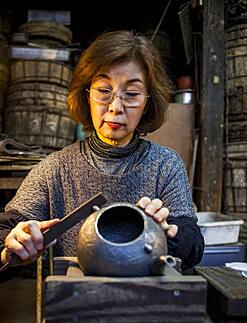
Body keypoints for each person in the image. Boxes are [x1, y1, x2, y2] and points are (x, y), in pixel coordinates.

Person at [0, 30, 204, 272]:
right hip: (75, 304)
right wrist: (11, 246)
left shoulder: (165, 165)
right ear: (86, 94)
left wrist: (166, 237)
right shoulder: (54, 169)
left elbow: (193, 244)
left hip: (148, 303)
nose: (116, 107)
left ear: (148, 101)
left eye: (131, 94)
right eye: (104, 91)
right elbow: (6, 231)